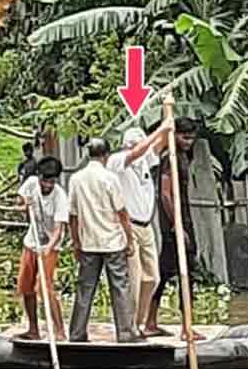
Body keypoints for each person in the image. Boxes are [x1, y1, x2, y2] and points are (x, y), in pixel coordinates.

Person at [67, 138, 142, 343]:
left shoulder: (76, 179)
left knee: (85, 288)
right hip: (112, 242)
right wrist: (130, 240)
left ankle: (77, 333)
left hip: (88, 242)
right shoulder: (110, 178)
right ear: (106, 156)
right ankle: (126, 333)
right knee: (120, 287)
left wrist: (76, 242)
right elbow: (122, 213)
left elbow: (72, 216)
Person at [143, 117, 207, 341]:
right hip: (176, 225)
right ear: (175, 135)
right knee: (185, 273)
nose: (188, 141)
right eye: (184, 137)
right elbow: (166, 194)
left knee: (164, 273)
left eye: (192, 138)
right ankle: (186, 327)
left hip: (178, 222)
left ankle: (151, 322)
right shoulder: (170, 159)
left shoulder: (179, 157)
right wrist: (177, 226)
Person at [109, 124, 172, 330]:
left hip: (146, 227)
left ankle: (140, 321)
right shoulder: (117, 161)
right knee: (133, 279)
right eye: (136, 145)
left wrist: (167, 123)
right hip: (128, 227)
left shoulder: (145, 161)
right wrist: (160, 129)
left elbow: (158, 146)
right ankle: (129, 325)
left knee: (152, 277)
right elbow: (139, 151)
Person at [15, 157, 69, 342]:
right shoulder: (31, 184)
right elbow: (20, 202)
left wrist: (49, 247)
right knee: (26, 286)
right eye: (45, 180)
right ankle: (33, 329)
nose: (47, 185)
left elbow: (58, 229)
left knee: (44, 286)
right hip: (31, 241)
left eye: (52, 181)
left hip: (50, 245)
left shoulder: (60, 197)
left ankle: (60, 330)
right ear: (39, 177)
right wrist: (24, 205)